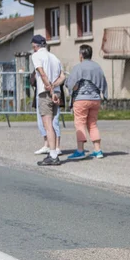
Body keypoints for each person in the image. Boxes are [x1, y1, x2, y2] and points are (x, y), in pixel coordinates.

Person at [65, 45, 108, 160]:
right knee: (92, 124)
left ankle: (80, 150)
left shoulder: (78, 68)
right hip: (95, 99)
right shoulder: (97, 67)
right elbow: (103, 83)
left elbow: (72, 85)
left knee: (80, 123)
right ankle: (98, 150)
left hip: (81, 99)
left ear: (81, 55)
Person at [31, 35, 65, 166]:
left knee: (48, 125)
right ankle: (55, 151)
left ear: (35, 45)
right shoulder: (54, 57)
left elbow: (42, 73)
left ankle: (53, 155)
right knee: (53, 123)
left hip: (45, 93)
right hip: (56, 92)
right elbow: (62, 76)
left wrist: (49, 89)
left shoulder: (36, 56)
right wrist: (54, 87)